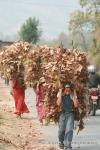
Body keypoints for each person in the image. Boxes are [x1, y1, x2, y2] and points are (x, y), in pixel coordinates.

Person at [57, 84, 79, 150]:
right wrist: (60, 92)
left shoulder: (72, 95)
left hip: (70, 114)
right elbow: (58, 103)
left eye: (69, 88)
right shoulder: (60, 94)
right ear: (64, 89)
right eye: (66, 88)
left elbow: (76, 105)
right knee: (61, 130)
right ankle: (61, 142)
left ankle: (68, 145)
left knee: (69, 130)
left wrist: (74, 95)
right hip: (62, 114)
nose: (67, 89)